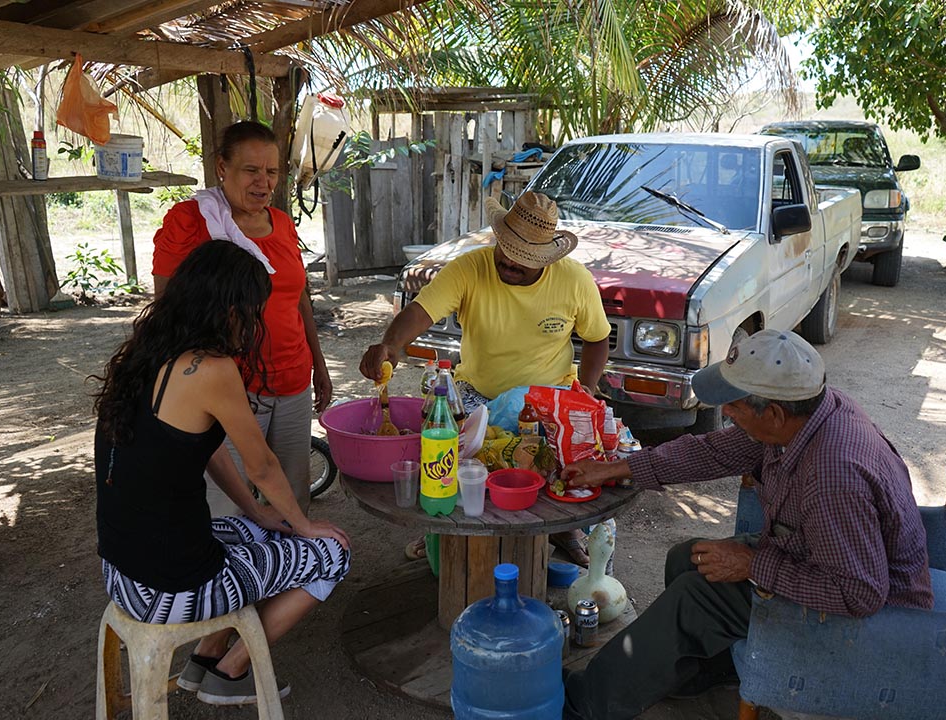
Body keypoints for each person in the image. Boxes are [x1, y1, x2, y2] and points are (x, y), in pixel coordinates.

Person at [559, 329, 934, 720]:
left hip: (874, 624)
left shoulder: (832, 474)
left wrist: (753, 565)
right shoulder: (804, 415)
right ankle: (709, 670)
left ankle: (584, 705)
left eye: (733, 408)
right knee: (686, 558)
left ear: (770, 414)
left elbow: (859, 594)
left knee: (695, 597)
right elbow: (711, 452)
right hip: (818, 555)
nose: (727, 416)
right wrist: (617, 468)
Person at [94, 241, 350, 705]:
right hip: (171, 590)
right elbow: (263, 466)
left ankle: (205, 658)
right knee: (331, 552)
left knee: (260, 531)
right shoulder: (210, 368)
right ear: (229, 309)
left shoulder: (147, 354)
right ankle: (230, 672)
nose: (254, 324)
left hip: (122, 574)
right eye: (253, 312)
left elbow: (208, 452)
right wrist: (305, 524)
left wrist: (260, 511)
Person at [360, 191, 612, 564]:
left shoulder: (574, 281)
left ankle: (561, 529)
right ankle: (441, 528)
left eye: (522, 258)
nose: (509, 261)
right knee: (449, 451)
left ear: (545, 258)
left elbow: (597, 339)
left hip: (548, 396)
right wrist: (389, 345)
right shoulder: (469, 268)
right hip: (475, 391)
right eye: (505, 248)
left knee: (550, 468)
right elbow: (420, 311)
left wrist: (586, 389)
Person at [152, 120, 330, 515]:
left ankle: (286, 573)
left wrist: (319, 365)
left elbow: (300, 298)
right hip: (228, 387)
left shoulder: (282, 223)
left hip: (292, 379)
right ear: (222, 167)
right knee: (226, 505)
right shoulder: (189, 222)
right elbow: (164, 309)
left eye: (271, 172)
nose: (263, 182)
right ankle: (233, 576)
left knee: (292, 495)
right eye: (251, 170)